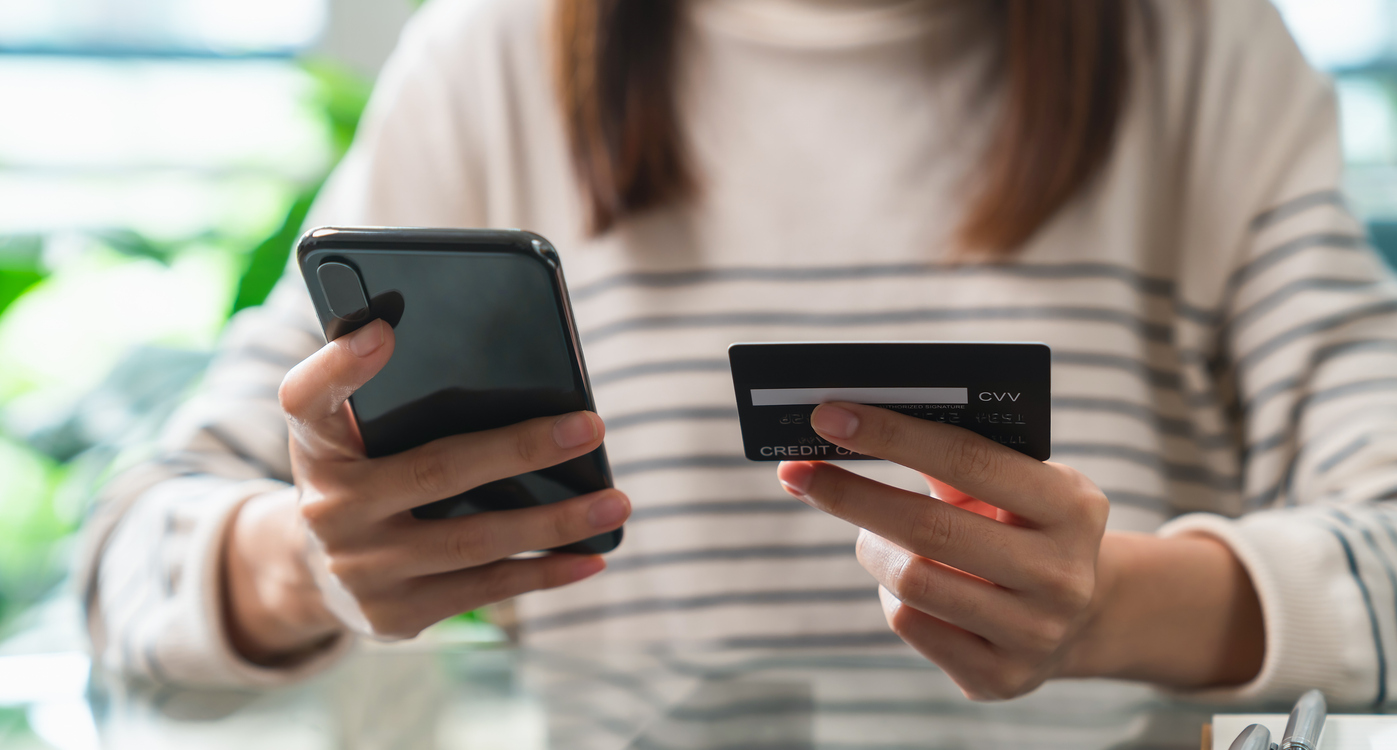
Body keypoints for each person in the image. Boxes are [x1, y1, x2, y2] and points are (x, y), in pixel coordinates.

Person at [78, 0, 1397, 706]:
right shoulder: (491, 57)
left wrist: (1116, 607)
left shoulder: (1199, 48)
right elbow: (125, 569)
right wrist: (306, 557)